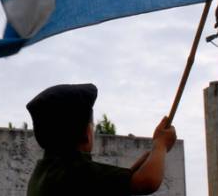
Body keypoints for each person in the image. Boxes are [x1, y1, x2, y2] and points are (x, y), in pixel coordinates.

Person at [26, 83, 176, 196]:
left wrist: (146, 161)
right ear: (86, 134)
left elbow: (114, 183)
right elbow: (147, 182)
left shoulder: (44, 174)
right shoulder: (77, 171)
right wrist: (160, 145)